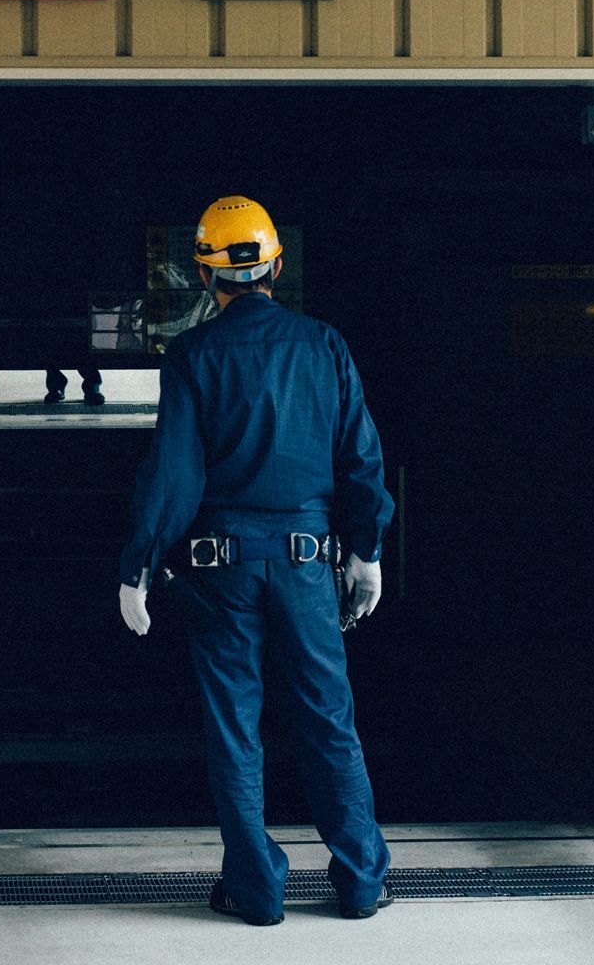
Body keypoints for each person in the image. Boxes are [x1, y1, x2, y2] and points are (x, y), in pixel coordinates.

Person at [118, 196, 393, 926]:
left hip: (221, 570)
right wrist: (365, 552)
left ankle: (256, 890)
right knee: (329, 722)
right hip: (308, 564)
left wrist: (137, 565)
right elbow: (361, 460)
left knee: (234, 728)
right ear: (275, 264)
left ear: (208, 279)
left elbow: (172, 474)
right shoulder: (324, 344)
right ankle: (362, 882)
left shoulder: (192, 356)